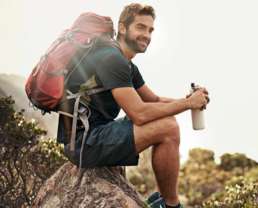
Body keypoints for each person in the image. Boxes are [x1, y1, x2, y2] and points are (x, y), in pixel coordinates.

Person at [57, 3, 209, 208]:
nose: (146, 34)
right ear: (122, 28)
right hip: (84, 143)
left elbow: (152, 100)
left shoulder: (125, 63)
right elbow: (139, 113)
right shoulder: (112, 59)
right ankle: (171, 205)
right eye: (140, 27)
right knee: (168, 128)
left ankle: (164, 199)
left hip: (93, 134)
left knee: (167, 121)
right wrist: (188, 104)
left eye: (150, 30)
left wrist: (189, 101)